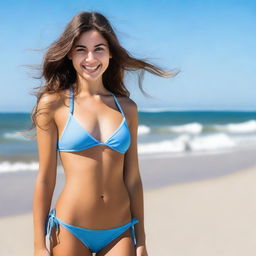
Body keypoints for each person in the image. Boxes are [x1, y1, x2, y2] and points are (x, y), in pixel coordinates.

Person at [31, 11, 174, 256]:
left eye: (99, 48)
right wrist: (38, 245)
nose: (90, 58)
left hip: (119, 231)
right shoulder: (53, 104)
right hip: (70, 229)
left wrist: (141, 239)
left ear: (110, 52)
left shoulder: (127, 108)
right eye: (80, 50)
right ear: (69, 54)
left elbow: (133, 178)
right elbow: (45, 179)